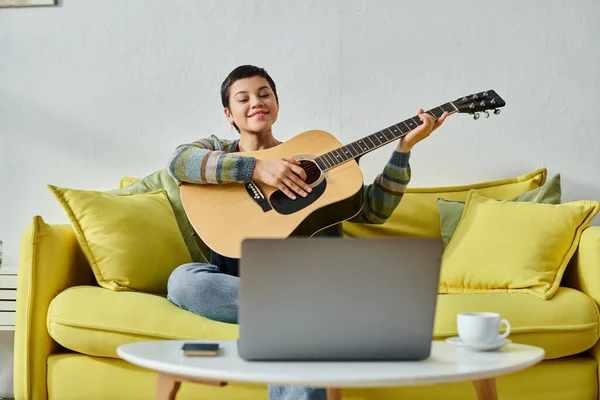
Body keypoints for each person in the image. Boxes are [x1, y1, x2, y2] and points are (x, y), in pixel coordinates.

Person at [166, 65, 447, 400]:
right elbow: (178, 161)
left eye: (264, 93)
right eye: (243, 98)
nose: (256, 101)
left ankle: (292, 312)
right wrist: (257, 168)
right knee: (182, 280)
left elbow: (374, 211)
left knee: (299, 333)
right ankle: (297, 311)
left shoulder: (320, 154)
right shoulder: (217, 150)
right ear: (229, 114)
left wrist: (403, 150)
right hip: (242, 278)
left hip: (305, 278)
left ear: (277, 103)